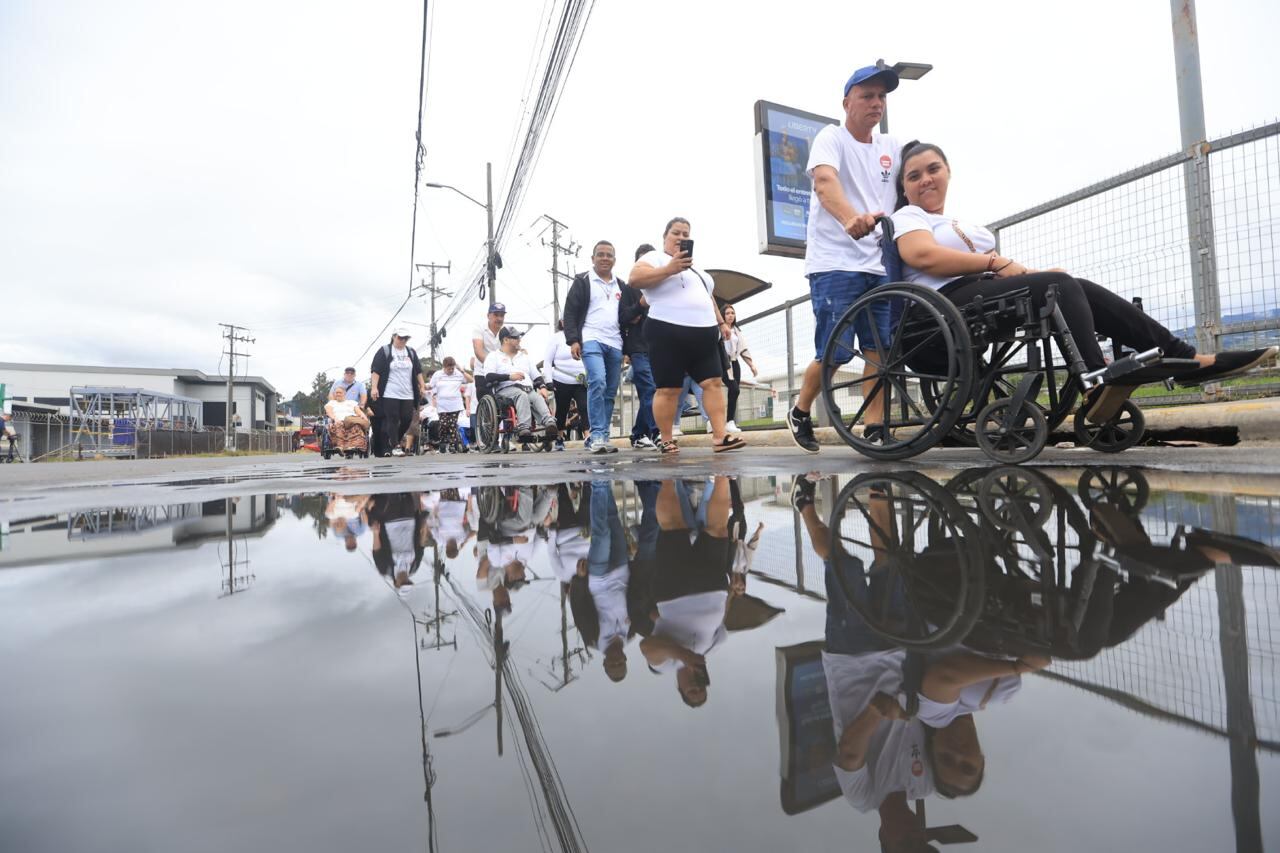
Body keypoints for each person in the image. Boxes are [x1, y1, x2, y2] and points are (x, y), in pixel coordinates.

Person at [889, 141, 1279, 421]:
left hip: (980, 295)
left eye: (933, 169)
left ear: (948, 172)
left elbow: (1001, 272)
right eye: (914, 176)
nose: (926, 179)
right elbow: (923, 256)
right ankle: (1094, 380)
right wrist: (997, 261)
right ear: (904, 188)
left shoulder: (960, 224)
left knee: (1075, 285)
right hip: (941, 306)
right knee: (1057, 285)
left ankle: (1186, 358)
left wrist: (1032, 272)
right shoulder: (908, 217)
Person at [786, 64, 904, 454]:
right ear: (846, 103)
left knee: (879, 351)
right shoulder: (831, 138)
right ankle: (800, 411)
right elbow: (825, 182)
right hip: (835, 262)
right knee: (835, 350)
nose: (876, 103)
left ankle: (874, 427)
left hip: (878, 264)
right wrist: (850, 218)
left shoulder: (891, 147)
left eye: (881, 97)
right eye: (867, 96)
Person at [628, 217, 745, 454]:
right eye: (676, 233)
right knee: (668, 388)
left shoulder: (698, 272)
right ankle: (666, 438)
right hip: (666, 331)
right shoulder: (654, 258)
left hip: (703, 334)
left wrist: (721, 323)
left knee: (713, 383)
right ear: (665, 237)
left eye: (685, 234)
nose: (681, 238)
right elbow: (635, 279)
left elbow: (709, 299)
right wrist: (669, 269)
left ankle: (720, 436)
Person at [639, 476, 734, 706]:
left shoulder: (666, 665)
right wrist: (730, 590)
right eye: (701, 688)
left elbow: (647, 647)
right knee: (718, 529)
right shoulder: (711, 649)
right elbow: (723, 622)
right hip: (713, 590)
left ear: (679, 688)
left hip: (675, 593)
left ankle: (668, 476)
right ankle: (722, 474)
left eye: (692, 691)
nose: (696, 685)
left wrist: (684, 655)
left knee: (673, 527)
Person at [564, 240, 640, 454]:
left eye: (609, 255)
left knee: (610, 391)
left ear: (614, 260)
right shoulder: (583, 281)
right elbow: (570, 312)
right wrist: (573, 340)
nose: (605, 258)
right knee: (597, 381)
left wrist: (627, 348)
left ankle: (603, 436)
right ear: (593, 258)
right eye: (601, 254)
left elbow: (625, 316)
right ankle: (596, 434)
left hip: (615, 343)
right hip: (590, 339)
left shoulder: (621, 286)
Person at [482, 326, 559, 443]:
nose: (519, 340)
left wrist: (543, 387)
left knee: (537, 397)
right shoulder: (494, 356)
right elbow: (489, 376)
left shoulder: (524, 357)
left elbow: (536, 375)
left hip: (528, 389)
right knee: (521, 395)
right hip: (506, 391)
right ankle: (524, 428)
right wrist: (509, 377)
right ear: (505, 340)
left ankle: (550, 423)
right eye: (516, 338)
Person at [369, 327, 427, 457]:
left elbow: (418, 370)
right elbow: (376, 370)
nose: (403, 340)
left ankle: (394, 439)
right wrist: (374, 387)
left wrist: (422, 386)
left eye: (406, 338)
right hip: (390, 391)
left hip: (408, 392)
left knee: (407, 418)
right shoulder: (385, 351)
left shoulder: (410, 352)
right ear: (394, 336)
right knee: (393, 418)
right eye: (400, 337)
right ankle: (395, 446)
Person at [626, 243, 660, 449]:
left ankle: (639, 434)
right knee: (649, 389)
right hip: (638, 348)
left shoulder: (662, 287)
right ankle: (657, 432)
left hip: (658, 347)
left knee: (651, 391)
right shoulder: (629, 287)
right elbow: (623, 316)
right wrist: (638, 307)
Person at [543, 319, 588, 451]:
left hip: (581, 380)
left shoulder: (584, 335)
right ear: (562, 322)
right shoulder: (556, 338)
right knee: (562, 410)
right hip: (561, 379)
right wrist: (548, 381)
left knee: (584, 407)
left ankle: (588, 437)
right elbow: (547, 361)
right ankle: (559, 437)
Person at [720, 305, 757, 433]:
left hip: (735, 363)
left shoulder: (736, 331)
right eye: (727, 313)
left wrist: (751, 365)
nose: (730, 315)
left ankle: (730, 422)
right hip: (723, 363)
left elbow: (743, 349)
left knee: (734, 392)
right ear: (722, 315)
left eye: (732, 313)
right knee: (734, 389)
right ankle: (725, 421)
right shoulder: (719, 330)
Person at [430, 356, 468, 453]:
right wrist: (425, 388)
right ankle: (442, 441)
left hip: (455, 404)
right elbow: (431, 385)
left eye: (452, 368)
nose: (451, 370)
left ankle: (452, 445)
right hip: (442, 404)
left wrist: (462, 371)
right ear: (444, 367)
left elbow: (471, 380)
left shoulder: (458, 374)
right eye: (449, 369)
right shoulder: (437, 374)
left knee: (452, 425)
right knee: (444, 424)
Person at [322, 384, 371, 454]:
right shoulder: (331, 403)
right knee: (338, 425)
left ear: (345, 393)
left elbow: (359, 412)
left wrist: (364, 417)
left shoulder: (352, 403)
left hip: (351, 421)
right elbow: (329, 413)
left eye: (340, 392)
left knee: (356, 426)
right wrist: (335, 419)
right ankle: (340, 446)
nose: (338, 394)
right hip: (337, 421)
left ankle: (353, 446)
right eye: (336, 393)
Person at [472, 303, 507, 368]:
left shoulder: (507, 331)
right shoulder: (479, 329)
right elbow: (478, 352)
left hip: (501, 369)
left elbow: (512, 350)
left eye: (502, 315)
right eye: (496, 315)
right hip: (482, 370)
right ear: (488, 316)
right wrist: (492, 366)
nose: (499, 318)